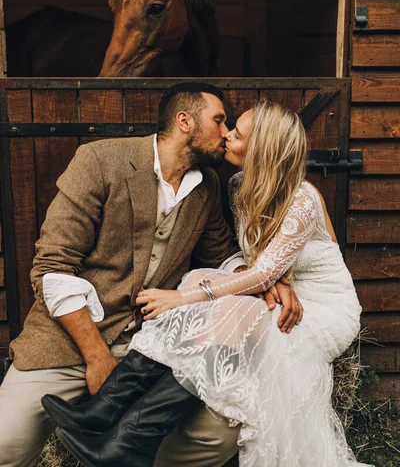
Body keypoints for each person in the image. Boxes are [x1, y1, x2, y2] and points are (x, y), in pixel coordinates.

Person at [44, 100, 371, 467]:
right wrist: (271, 280)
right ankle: (107, 414)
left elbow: (263, 272)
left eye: (237, 133)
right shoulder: (236, 186)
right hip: (279, 289)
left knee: (224, 304)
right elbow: (255, 265)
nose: (226, 134)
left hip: (322, 306)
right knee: (204, 279)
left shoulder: (302, 199)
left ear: (261, 147)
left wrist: (182, 299)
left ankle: (130, 437)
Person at [0, 83, 301, 467]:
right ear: (185, 122)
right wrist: (97, 358)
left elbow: (223, 256)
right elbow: (52, 268)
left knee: (222, 433)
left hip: (151, 343)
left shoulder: (206, 185)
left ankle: (125, 455)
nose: (226, 133)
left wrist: (264, 278)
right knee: (5, 444)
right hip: (69, 339)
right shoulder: (99, 161)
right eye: (219, 120)